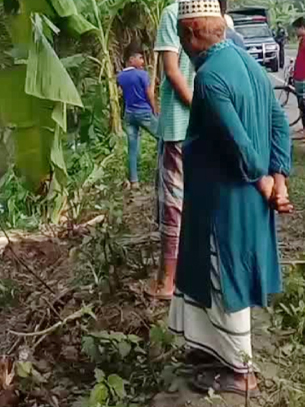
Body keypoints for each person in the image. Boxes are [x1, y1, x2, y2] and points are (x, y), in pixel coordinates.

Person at [171, 0, 292, 396]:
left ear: (190, 34)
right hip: (245, 198)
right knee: (225, 275)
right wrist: (280, 179)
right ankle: (214, 353)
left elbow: (239, 143)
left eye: (181, 35)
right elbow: (278, 122)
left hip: (224, 201)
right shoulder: (248, 64)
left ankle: (242, 374)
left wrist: (261, 178)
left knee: (225, 279)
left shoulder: (208, 77)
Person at [147, 0, 195, 300]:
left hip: (180, 123)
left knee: (173, 203)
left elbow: (172, 72)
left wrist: (198, 108)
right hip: (202, 127)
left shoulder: (173, 12)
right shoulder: (212, 10)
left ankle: (167, 282)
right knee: (197, 197)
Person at [117, 44, 159, 189]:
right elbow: (149, 94)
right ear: (131, 59)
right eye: (140, 58)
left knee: (132, 147)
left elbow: (123, 94)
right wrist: (155, 110)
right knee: (162, 137)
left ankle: (134, 180)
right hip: (144, 112)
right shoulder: (142, 74)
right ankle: (162, 169)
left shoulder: (120, 76)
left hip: (129, 114)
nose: (142, 61)